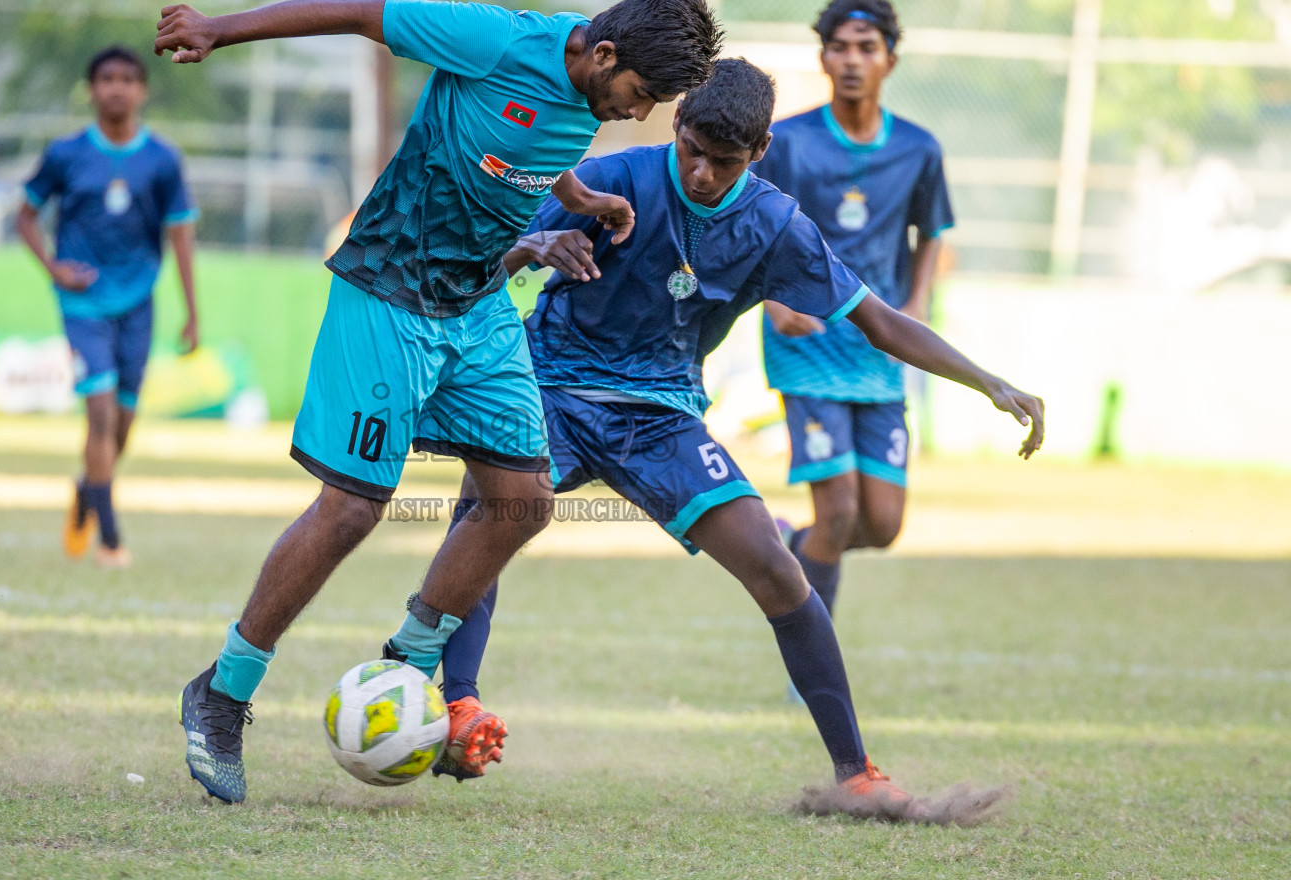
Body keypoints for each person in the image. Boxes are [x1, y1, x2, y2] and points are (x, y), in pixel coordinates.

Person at [428, 59, 1043, 817]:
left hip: (661, 417)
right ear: (677, 128)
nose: (703, 171)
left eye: (724, 161)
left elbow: (879, 319)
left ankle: (856, 773)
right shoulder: (613, 176)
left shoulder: (775, 224)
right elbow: (480, 255)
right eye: (692, 149)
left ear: (757, 154)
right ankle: (458, 707)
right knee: (486, 526)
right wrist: (533, 250)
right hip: (547, 388)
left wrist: (990, 381)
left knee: (779, 573)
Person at [155, 0, 723, 803]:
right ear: (603, 56)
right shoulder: (493, 39)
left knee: (524, 498)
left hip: (477, 304)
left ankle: (412, 661)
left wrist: (579, 199)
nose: (638, 116)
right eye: (639, 96)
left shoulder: (585, 93)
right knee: (352, 509)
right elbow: (358, 10)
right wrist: (218, 30)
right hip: (387, 287)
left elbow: (528, 141)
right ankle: (223, 691)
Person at [753, 0, 949, 621]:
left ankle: (793, 549)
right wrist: (774, 298)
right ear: (823, 58)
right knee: (837, 512)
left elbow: (932, 234)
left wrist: (917, 303)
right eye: (839, 47)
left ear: (890, 59)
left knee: (882, 524)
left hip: (880, 346)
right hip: (806, 344)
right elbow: (752, 226)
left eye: (867, 48)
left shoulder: (919, 149)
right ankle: (813, 655)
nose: (852, 60)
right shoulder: (787, 141)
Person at [15, 45, 199, 569]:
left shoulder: (162, 160)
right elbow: (25, 216)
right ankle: (111, 538)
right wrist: (53, 268)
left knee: (122, 423)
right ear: (92, 89)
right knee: (97, 414)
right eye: (106, 78)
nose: (116, 87)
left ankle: (87, 490)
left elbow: (181, 234)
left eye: (127, 78)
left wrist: (192, 310)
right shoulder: (65, 154)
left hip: (138, 302)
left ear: (142, 90)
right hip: (83, 304)